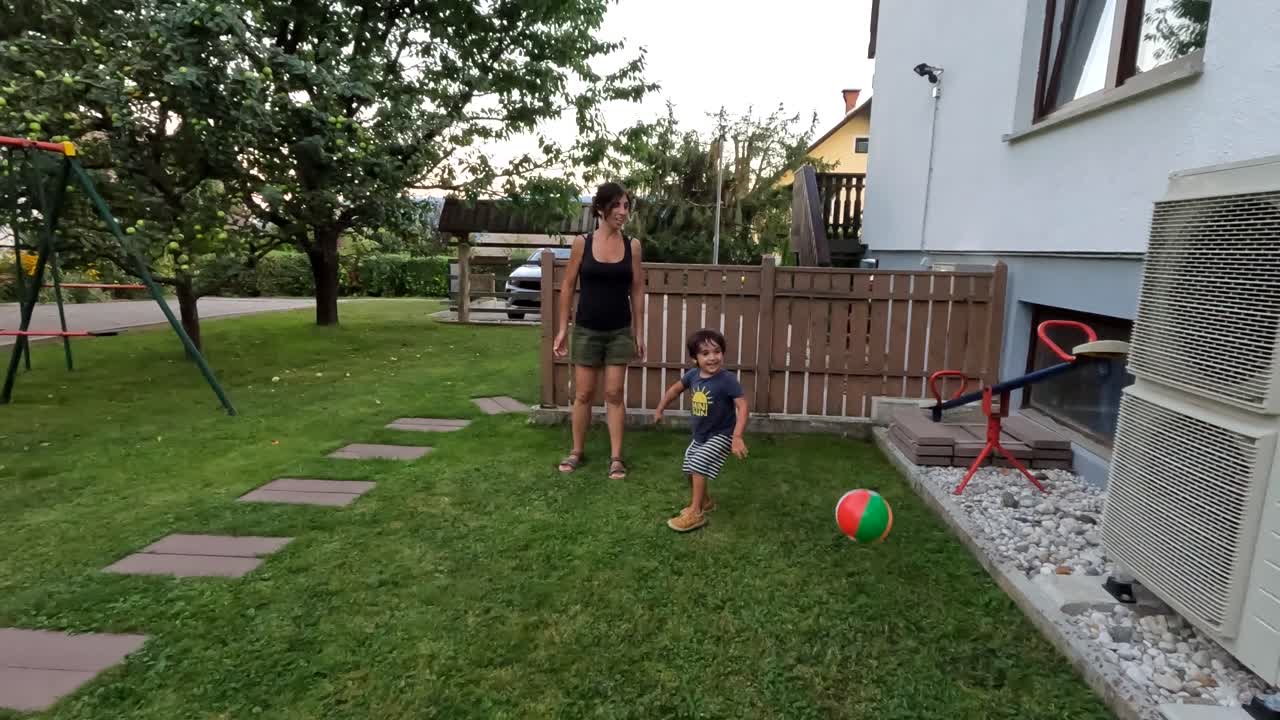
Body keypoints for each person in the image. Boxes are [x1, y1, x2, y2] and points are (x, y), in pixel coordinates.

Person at [553, 182, 645, 480]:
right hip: (587, 329)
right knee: (583, 394)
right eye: (616, 205)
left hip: (619, 330)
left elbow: (637, 289)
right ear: (601, 208)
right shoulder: (582, 243)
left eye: (626, 206)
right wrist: (562, 328)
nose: (623, 211)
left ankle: (616, 457)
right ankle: (576, 451)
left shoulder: (632, 246)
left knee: (614, 393)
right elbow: (568, 285)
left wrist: (639, 332)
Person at [652, 328, 749, 532]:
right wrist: (660, 408)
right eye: (705, 353)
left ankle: (696, 513)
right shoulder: (693, 375)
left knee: (698, 463)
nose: (712, 357)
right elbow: (674, 390)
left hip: (722, 434)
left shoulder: (727, 379)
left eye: (717, 351)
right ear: (694, 358)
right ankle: (706, 502)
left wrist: (737, 436)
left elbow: (743, 406)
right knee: (689, 468)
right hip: (701, 435)